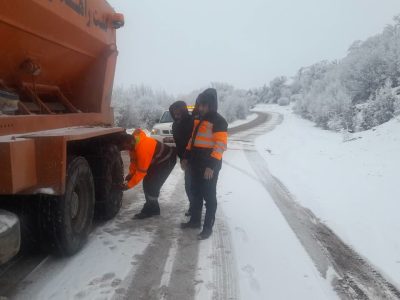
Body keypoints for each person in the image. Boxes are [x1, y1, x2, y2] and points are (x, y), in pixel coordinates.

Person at [181, 88, 228, 240]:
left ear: (212, 105)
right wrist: (186, 157)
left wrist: (211, 166)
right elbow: (192, 141)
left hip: (209, 166)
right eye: (200, 105)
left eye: (204, 105)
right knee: (195, 194)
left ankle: (207, 228)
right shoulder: (198, 120)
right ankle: (195, 221)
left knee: (209, 196)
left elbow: (220, 145)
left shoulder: (219, 121)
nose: (201, 108)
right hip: (195, 163)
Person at [120, 128, 176, 219]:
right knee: (148, 183)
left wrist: (128, 185)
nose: (126, 149)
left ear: (131, 141)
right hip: (158, 161)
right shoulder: (133, 146)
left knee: (152, 184)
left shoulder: (143, 148)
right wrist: (130, 175)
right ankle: (154, 209)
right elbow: (134, 162)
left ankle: (149, 210)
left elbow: (141, 171)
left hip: (167, 160)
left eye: (126, 146)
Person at [169, 101, 195, 216]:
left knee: (193, 185)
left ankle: (195, 208)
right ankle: (193, 206)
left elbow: (193, 142)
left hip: (195, 158)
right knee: (189, 185)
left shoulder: (193, 122)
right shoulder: (175, 125)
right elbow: (178, 143)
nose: (176, 113)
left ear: (183, 110)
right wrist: (181, 158)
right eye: (174, 111)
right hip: (185, 159)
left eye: (178, 110)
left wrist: (187, 158)